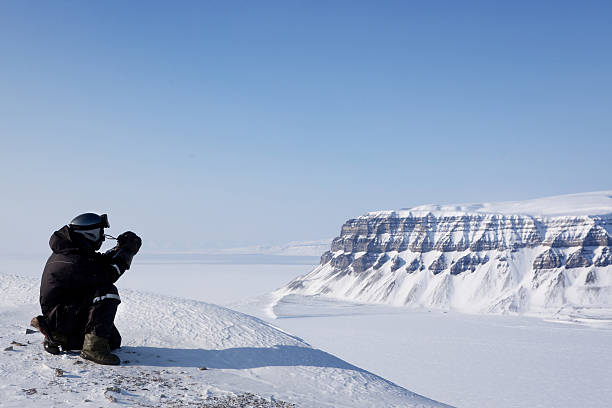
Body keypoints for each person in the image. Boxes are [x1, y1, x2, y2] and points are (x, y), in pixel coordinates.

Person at [30, 213, 141, 365]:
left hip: (62, 313)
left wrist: (120, 248)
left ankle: (58, 337)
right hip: (61, 315)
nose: (102, 237)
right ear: (91, 234)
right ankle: (93, 349)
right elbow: (109, 273)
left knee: (113, 341)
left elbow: (100, 263)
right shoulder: (73, 259)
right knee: (107, 292)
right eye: (101, 233)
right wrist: (127, 252)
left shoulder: (72, 250)